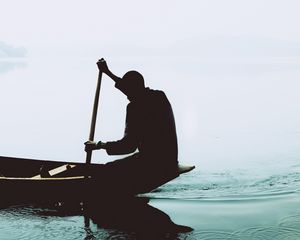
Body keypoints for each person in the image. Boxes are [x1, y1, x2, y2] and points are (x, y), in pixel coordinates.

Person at [85, 58, 179, 194]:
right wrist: (107, 72)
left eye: (127, 92)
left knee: (108, 169)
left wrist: (98, 145)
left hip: (153, 162)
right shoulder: (159, 96)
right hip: (170, 159)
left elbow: (128, 146)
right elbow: (131, 88)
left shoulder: (135, 108)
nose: (126, 96)